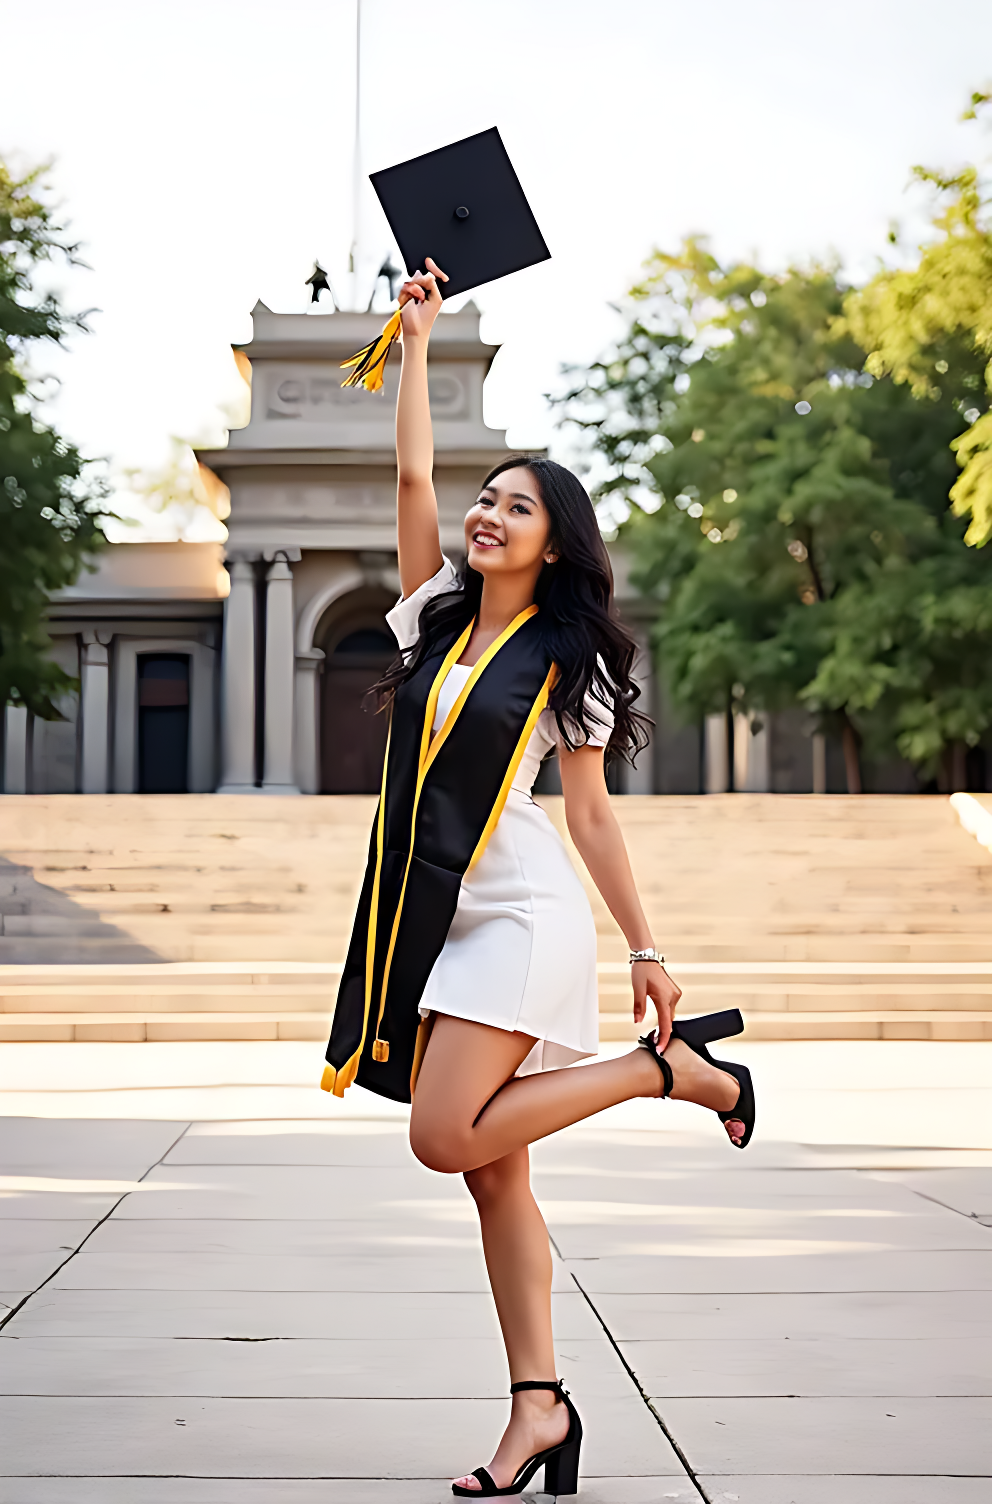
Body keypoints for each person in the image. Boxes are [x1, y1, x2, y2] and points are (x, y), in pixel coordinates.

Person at [335, 257, 754, 1498]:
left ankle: (663, 1072)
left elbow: (590, 814)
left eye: (514, 506)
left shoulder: (568, 660)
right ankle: (540, 1409)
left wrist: (644, 944)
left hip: (522, 914)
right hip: (435, 922)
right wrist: (415, 342)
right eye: (485, 498)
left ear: (554, 539)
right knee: (491, 1172)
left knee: (440, 1136)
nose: (483, 514)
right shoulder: (432, 619)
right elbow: (412, 473)